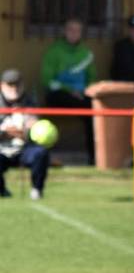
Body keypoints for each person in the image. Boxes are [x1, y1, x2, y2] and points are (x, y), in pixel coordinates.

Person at [41, 18, 96, 164]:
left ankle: (95, 158)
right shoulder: (54, 51)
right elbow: (47, 80)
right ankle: (45, 157)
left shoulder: (86, 53)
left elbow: (92, 80)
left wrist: (84, 91)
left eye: (77, 30)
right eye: (70, 29)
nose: (74, 33)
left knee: (95, 110)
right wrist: (70, 90)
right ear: (65, 31)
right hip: (59, 95)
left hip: (81, 96)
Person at [0, 69, 50, 200]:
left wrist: (28, 131)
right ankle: (2, 190)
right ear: (2, 85)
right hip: (2, 148)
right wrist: (4, 132)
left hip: (24, 148)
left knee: (41, 152)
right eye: (10, 85)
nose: (14, 88)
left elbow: (34, 128)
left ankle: (36, 190)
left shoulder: (30, 101)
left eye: (17, 84)